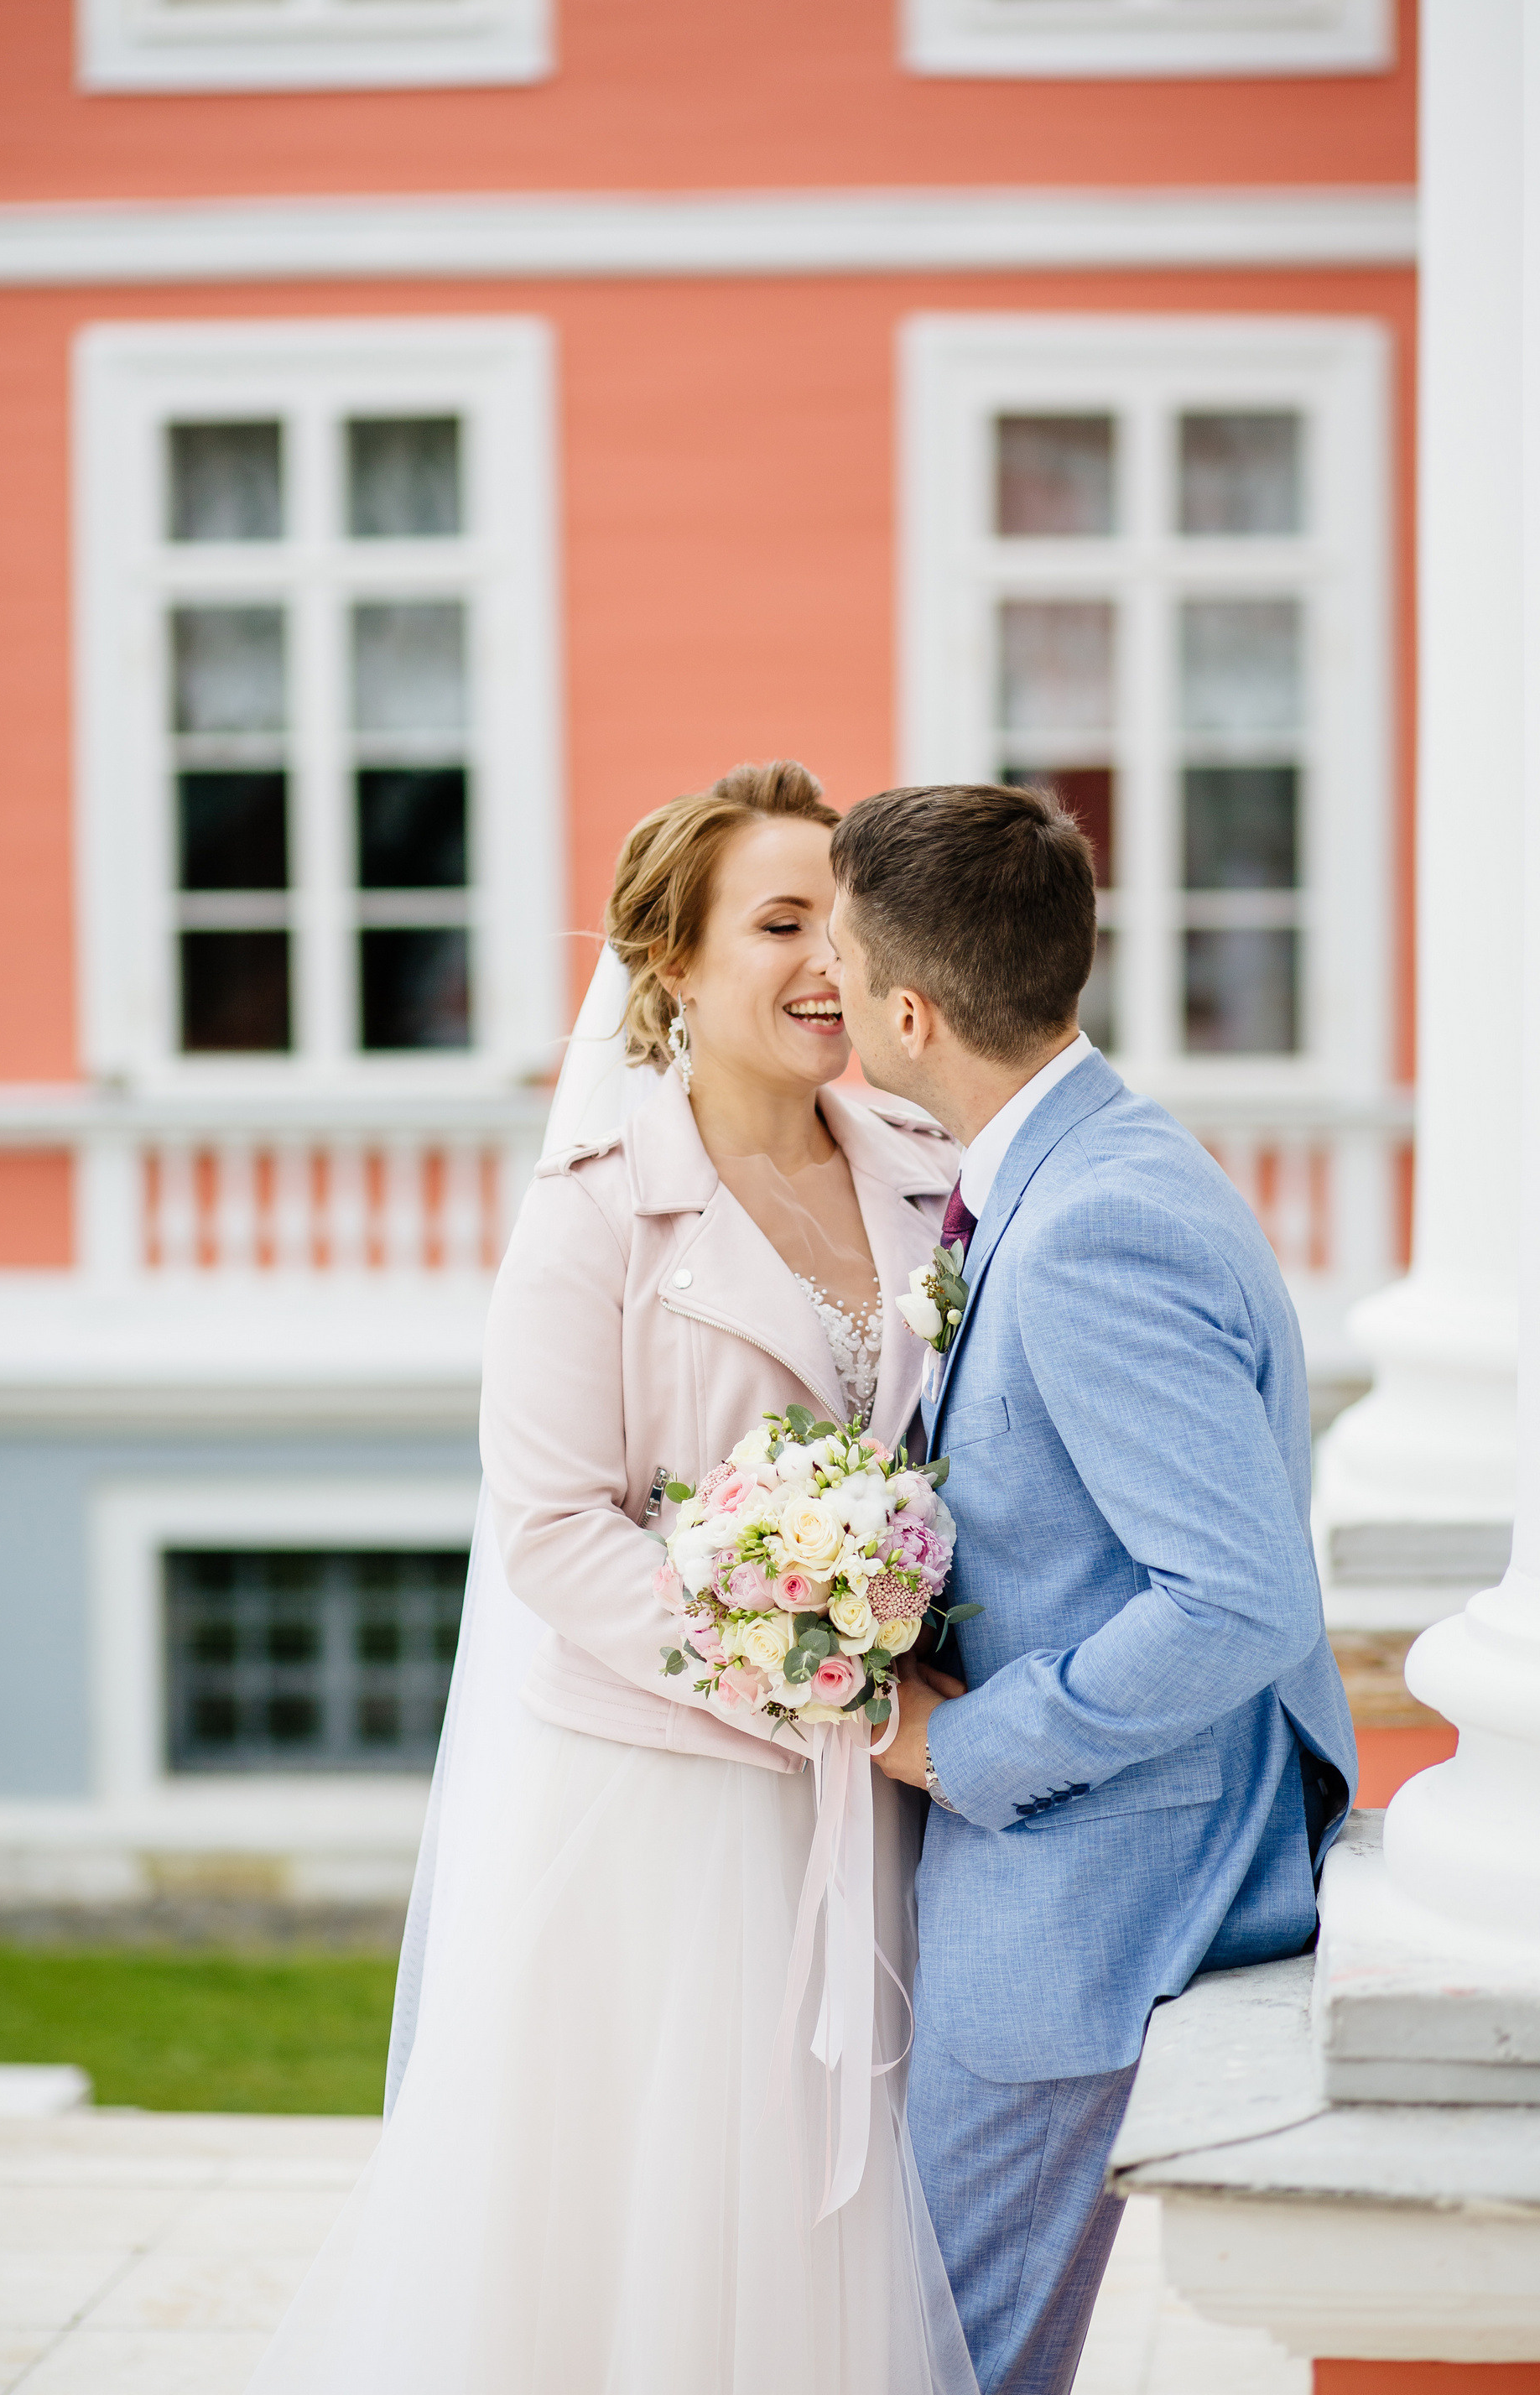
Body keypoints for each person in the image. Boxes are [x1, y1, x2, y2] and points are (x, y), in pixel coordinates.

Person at [246, 761, 977, 2395]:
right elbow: (557, 1533)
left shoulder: (931, 1173)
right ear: (670, 967)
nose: (824, 964)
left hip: (876, 1813)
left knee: (831, 2235)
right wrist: (821, 1679)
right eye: (778, 923)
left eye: (845, 927)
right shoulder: (592, 1222)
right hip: (672, 1811)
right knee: (661, 2226)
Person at [825, 782, 1358, 2395]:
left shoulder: (1095, 1223)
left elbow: (1239, 1598)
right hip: (1083, 1870)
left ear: (910, 1010)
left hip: (1088, 1893)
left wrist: (962, 1750)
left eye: (841, 962)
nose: (825, 989)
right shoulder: (1080, 1163)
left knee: (950, 2367)